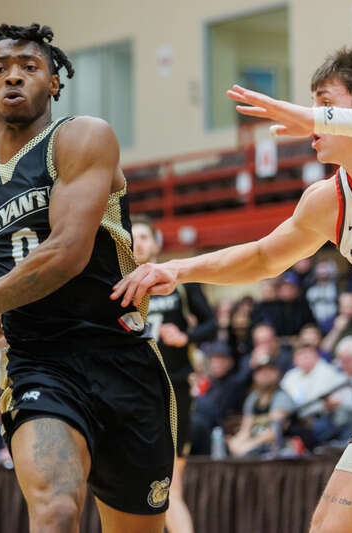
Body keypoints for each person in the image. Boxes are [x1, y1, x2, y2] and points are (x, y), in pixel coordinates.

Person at [113, 43, 352, 532]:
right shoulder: (327, 202)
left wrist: (316, 117)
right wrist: (179, 270)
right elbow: (261, 258)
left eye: (325, 104)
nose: (311, 119)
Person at [0, 23, 176, 533]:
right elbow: (17, 270)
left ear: (53, 83)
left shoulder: (81, 137)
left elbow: (67, 253)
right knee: (55, 511)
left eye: (30, 67)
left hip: (122, 359)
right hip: (42, 366)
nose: (13, 77)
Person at [133, 214, 216, 533]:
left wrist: (186, 338)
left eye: (144, 236)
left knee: (170, 484)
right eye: (133, 236)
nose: (138, 242)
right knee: (137, 484)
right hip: (131, 392)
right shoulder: (115, 285)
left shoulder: (178, 281)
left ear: (156, 244)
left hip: (172, 390)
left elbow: (211, 325)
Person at [227, 355, 295, 457]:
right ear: (255, 375)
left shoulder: (282, 397)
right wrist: (236, 443)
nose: (264, 374)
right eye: (260, 371)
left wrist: (250, 444)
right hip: (254, 443)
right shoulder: (253, 398)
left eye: (269, 370)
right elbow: (246, 428)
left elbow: (274, 432)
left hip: (277, 446)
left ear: (277, 373)